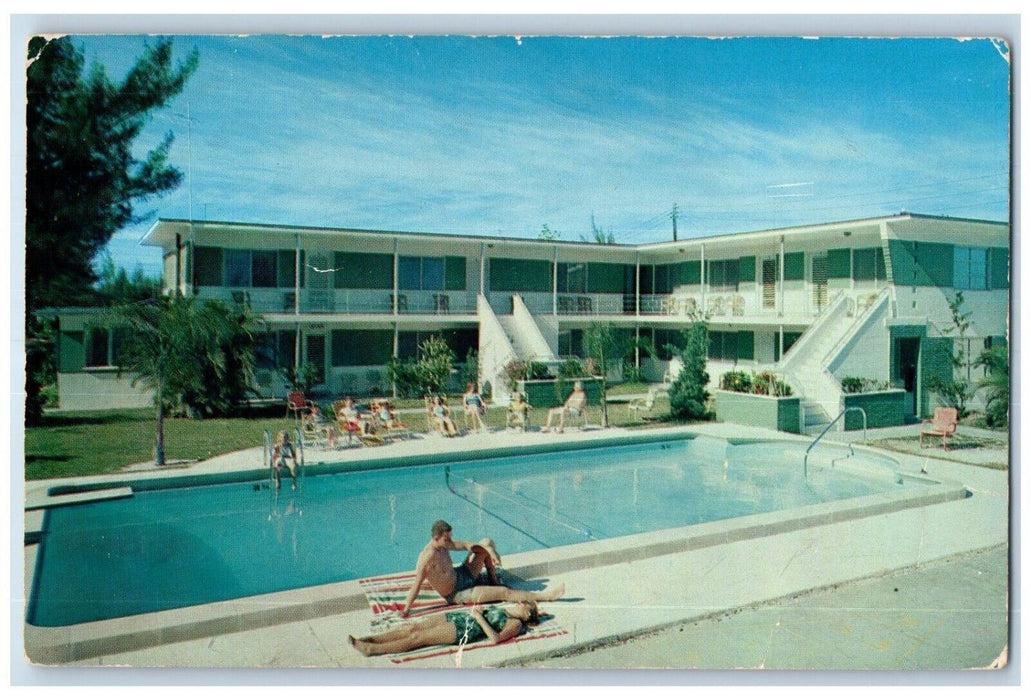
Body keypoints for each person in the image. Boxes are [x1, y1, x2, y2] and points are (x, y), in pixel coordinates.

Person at [401, 520, 564, 617]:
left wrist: (490, 551)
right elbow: (416, 585)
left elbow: (466, 545)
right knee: (504, 593)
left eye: (450, 537)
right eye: (447, 538)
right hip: (457, 593)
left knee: (486, 542)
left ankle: (493, 581)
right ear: (435, 538)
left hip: (462, 574)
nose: (450, 541)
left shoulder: (444, 546)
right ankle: (546, 596)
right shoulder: (427, 559)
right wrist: (406, 609)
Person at [349, 601, 540, 657]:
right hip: (460, 616)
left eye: (526, 605)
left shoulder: (516, 624)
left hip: (465, 628)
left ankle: (371, 649)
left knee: (418, 637)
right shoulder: (506, 608)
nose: (521, 603)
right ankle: (372, 639)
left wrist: (479, 616)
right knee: (413, 627)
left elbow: (495, 638)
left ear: (528, 614)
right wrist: (479, 611)